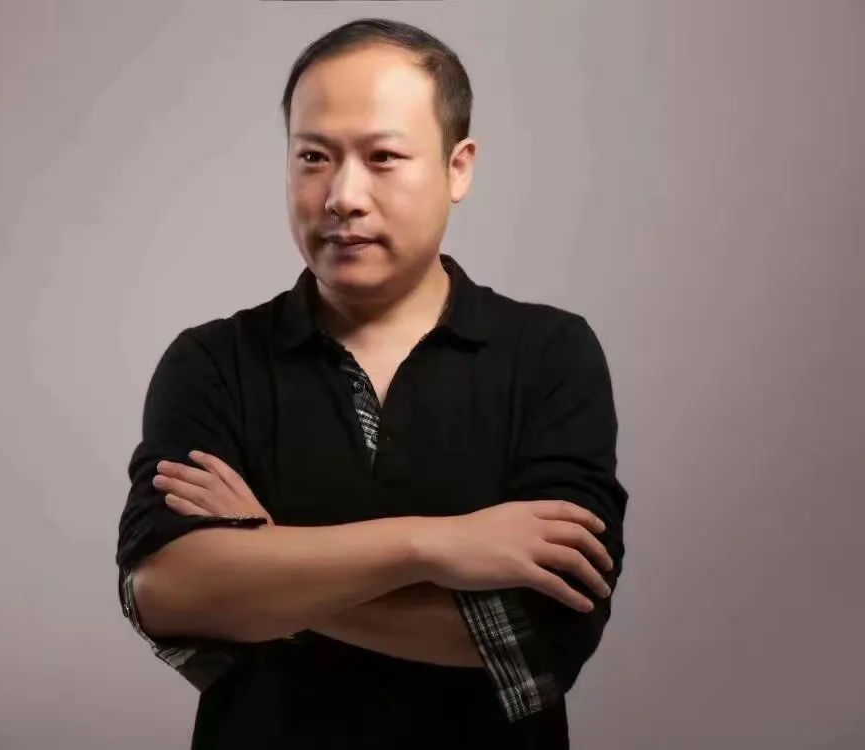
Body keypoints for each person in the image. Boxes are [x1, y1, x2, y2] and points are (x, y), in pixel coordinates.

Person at [115, 17, 628, 749]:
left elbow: (539, 638)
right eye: (313, 157)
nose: (343, 196)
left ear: (458, 167)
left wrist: (268, 559)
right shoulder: (213, 361)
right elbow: (165, 592)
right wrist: (432, 546)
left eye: (383, 157)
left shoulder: (550, 354)